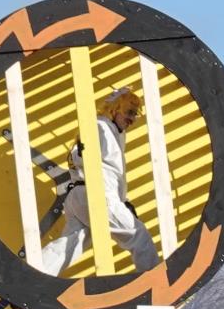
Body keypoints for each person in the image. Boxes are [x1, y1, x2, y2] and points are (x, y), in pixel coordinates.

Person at [37, 87, 160, 276]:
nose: (132, 119)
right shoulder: (101, 127)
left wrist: (123, 201)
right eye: (129, 112)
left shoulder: (112, 131)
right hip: (96, 193)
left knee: (71, 244)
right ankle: (157, 284)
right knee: (137, 235)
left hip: (81, 194)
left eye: (135, 114)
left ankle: (35, 274)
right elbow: (81, 155)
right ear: (114, 109)